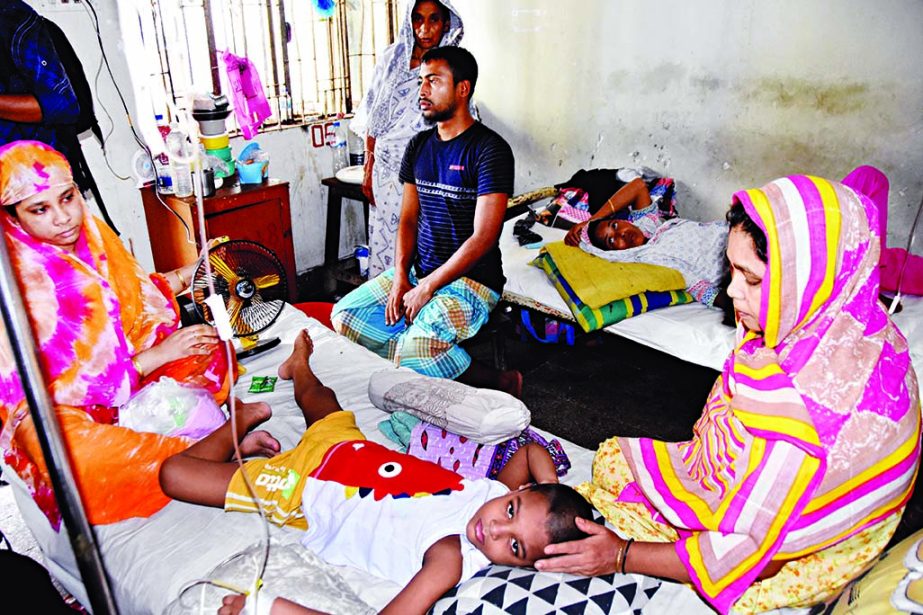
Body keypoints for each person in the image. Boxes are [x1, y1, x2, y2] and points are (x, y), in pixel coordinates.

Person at [536, 175, 921, 614]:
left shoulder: (805, 419)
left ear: (807, 279)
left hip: (794, 559)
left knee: (613, 501)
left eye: (751, 278)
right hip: (788, 499)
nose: (732, 290)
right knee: (613, 460)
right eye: (732, 270)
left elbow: (759, 559)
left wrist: (621, 555)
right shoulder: (859, 329)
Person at [159, 329, 593, 615]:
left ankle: (241, 423)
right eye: (512, 509)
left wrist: (270, 608)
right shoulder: (491, 497)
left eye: (514, 547)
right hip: (352, 449)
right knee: (316, 396)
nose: (494, 529)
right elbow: (533, 449)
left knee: (175, 475)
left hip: (305, 489)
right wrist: (550, 496)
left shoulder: (450, 557)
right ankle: (300, 363)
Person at [0, 140, 279, 529]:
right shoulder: (11, 281)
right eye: (40, 209)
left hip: (129, 371)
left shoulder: (91, 238)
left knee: (207, 346)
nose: (63, 218)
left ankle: (206, 446)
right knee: (68, 460)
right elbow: (50, 386)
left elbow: (136, 297)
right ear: (11, 216)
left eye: (68, 198)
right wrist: (154, 357)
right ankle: (216, 447)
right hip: (62, 408)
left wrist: (191, 271)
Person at [332, 46, 522, 396]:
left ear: (462, 89)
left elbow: (484, 237)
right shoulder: (419, 146)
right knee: (345, 317)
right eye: (421, 81)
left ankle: (499, 381)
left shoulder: (489, 150)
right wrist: (402, 277)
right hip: (422, 273)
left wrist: (428, 287)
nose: (422, 91)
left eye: (434, 81)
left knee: (417, 350)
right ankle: (417, 359)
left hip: (473, 283)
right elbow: (407, 220)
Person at [351, 0, 466, 277]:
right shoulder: (392, 59)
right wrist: (369, 169)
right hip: (386, 171)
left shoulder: (454, 65)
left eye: (434, 20)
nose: (424, 29)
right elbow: (373, 116)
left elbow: (459, 124)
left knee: (423, 247)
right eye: (418, 19)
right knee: (385, 243)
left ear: (446, 23)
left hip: (427, 173)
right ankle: (384, 308)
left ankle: (417, 310)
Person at [563, 176, 729, 307]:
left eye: (614, 225)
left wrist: (591, 220)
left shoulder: (648, 225)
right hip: (734, 259)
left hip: (734, 230)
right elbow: (699, 288)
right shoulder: (650, 259)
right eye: (612, 240)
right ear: (613, 253)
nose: (622, 233)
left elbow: (638, 186)